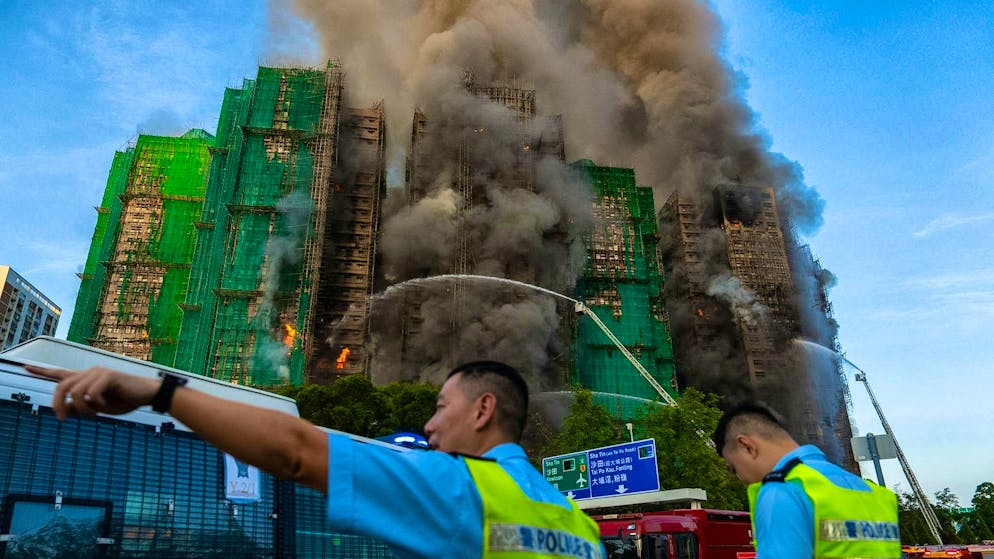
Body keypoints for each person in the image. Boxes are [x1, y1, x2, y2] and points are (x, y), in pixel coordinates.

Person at [25, 359, 605, 559]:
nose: (428, 424)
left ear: (482, 410)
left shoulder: (458, 488)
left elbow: (296, 452)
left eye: (438, 406)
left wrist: (161, 393)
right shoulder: (583, 528)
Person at [712, 402, 901, 559]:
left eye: (733, 468)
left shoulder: (784, 490)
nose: (740, 478)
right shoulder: (877, 495)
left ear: (747, 446)